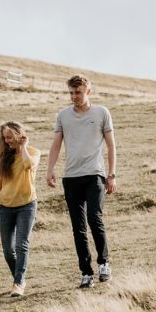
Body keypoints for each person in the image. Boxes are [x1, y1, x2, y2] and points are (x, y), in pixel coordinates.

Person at [46, 75, 117, 289]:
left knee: (95, 219)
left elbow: (111, 146)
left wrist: (111, 175)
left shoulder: (102, 112)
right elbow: (56, 146)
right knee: (78, 228)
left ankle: (103, 263)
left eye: (78, 92)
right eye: (71, 93)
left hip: (95, 175)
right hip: (71, 177)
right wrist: (50, 170)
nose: (74, 96)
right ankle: (86, 273)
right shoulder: (63, 116)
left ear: (88, 92)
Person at [0, 121, 40, 298]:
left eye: (9, 137)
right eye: (4, 138)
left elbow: (28, 165)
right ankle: (19, 278)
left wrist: (22, 147)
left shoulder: (33, 152)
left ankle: (18, 282)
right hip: (5, 207)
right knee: (8, 250)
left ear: (18, 135)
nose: (7, 141)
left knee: (22, 245)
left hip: (26, 205)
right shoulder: (3, 158)